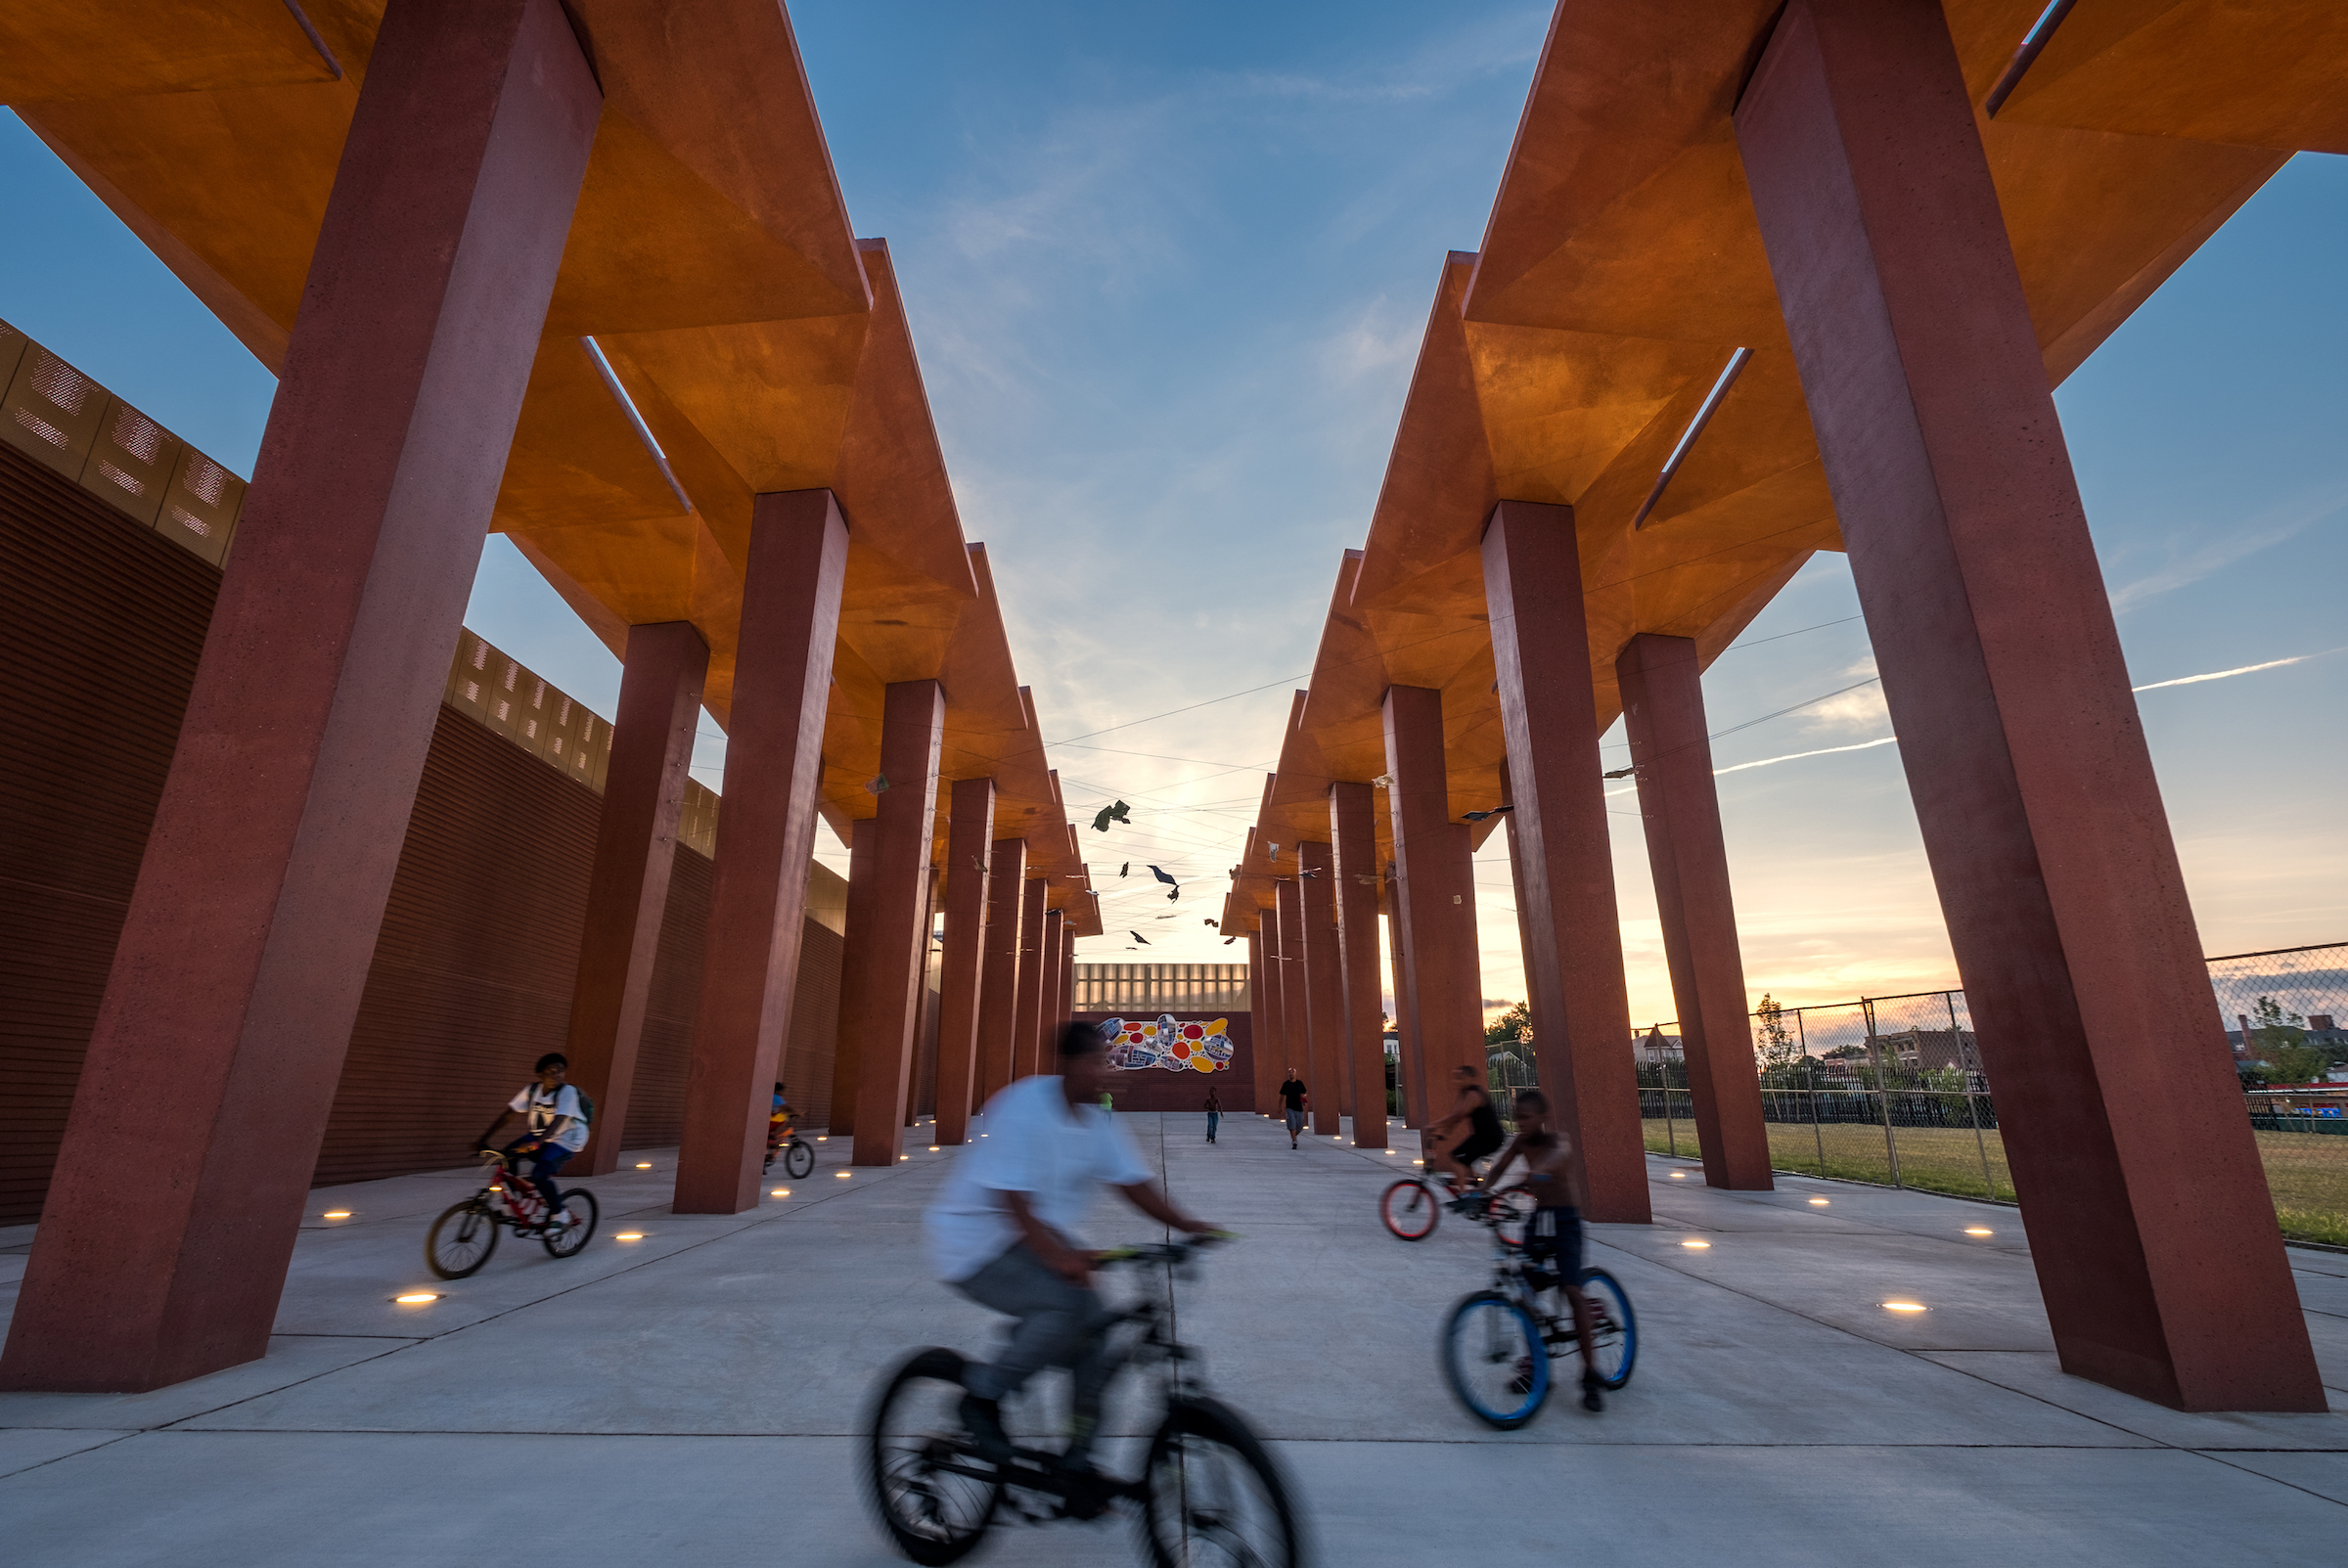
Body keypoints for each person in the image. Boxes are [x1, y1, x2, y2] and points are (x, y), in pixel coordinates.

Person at [925, 1021, 1219, 1475]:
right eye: (1098, 1062)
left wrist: (1187, 1225)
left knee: (1095, 1333)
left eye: (1109, 1061)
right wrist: (1060, 1257)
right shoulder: (1024, 1104)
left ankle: (1080, 1459)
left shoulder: (1099, 1120)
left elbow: (1132, 1182)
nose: (1107, 1071)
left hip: (1036, 1237)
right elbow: (1013, 1202)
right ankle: (982, 1396)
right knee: (1063, 1305)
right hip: (973, 1240)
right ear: (1069, 1065)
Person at [1484, 1087, 1604, 1411]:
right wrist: (1481, 1191)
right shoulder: (1521, 1142)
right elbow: (1499, 1166)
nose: (1521, 1124)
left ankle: (1590, 1373)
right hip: (1538, 1221)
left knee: (1572, 1290)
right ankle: (1537, 1365)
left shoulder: (1556, 1141)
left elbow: (1558, 1157)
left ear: (1542, 1117)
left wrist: (1537, 1172)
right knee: (1526, 1291)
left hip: (1565, 1221)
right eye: (1517, 1118)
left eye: (1527, 1117)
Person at [478, 1052, 589, 1232]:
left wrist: (536, 1143)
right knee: (507, 1157)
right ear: (540, 1074)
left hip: (568, 1138)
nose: (556, 1075)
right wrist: (483, 1139)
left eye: (560, 1071)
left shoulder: (567, 1091)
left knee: (539, 1175)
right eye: (551, 1071)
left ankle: (559, 1214)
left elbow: (559, 1120)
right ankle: (510, 1207)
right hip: (541, 1135)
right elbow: (508, 1115)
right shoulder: (531, 1091)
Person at [1425, 1061, 1505, 1194]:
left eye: (1460, 1078)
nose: (1456, 1081)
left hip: (1490, 1137)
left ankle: (1463, 1197)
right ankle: (1478, 1189)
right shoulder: (1464, 1093)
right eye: (1455, 1078)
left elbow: (1458, 1116)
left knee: (1457, 1159)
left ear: (1471, 1079)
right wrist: (1444, 1133)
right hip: (1482, 1135)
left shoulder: (1474, 1095)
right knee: (1465, 1160)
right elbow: (1454, 1117)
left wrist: (1435, 1125)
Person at [764, 1081, 796, 1172]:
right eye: (781, 1091)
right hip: (770, 1120)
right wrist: (798, 1113)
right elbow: (786, 1107)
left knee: (780, 1119)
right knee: (782, 1120)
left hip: (769, 1119)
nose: (782, 1093)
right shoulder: (775, 1097)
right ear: (778, 1091)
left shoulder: (770, 1096)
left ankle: (767, 1156)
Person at [1277, 1069, 1308, 1148]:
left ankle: (1294, 1136)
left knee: (1300, 1127)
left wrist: (1304, 1096)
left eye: (1293, 1072)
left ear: (1296, 1074)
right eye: (1290, 1073)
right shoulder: (1286, 1084)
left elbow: (1305, 1092)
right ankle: (1294, 1141)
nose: (1291, 1074)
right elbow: (1282, 1096)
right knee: (1292, 1125)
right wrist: (1279, 1107)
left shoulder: (1299, 1083)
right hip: (1290, 1107)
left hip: (1299, 1108)